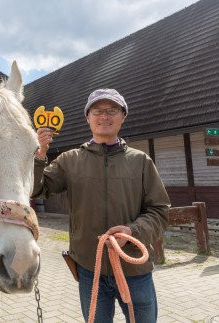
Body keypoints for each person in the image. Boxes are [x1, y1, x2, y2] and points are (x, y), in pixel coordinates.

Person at [32, 88, 170, 322]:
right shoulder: (70, 160)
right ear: (88, 117)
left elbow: (160, 211)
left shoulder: (141, 162)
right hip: (90, 270)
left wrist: (132, 231)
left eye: (112, 110)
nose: (104, 116)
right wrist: (39, 156)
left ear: (123, 116)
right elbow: (38, 189)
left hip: (135, 271)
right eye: (97, 110)